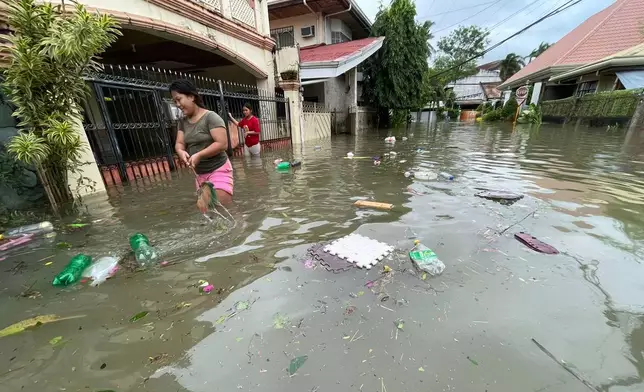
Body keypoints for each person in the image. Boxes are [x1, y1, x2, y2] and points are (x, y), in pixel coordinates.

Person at [171, 79, 233, 209]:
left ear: (191, 96)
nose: (177, 104)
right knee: (206, 212)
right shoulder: (182, 122)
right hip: (199, 174)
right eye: (175, 101)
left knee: (221, 209)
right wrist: (181, 152)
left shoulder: (211, 117)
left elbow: (222, 144)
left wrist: (199, 155)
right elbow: (179, 143)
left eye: (179, 99)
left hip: (218, 169)